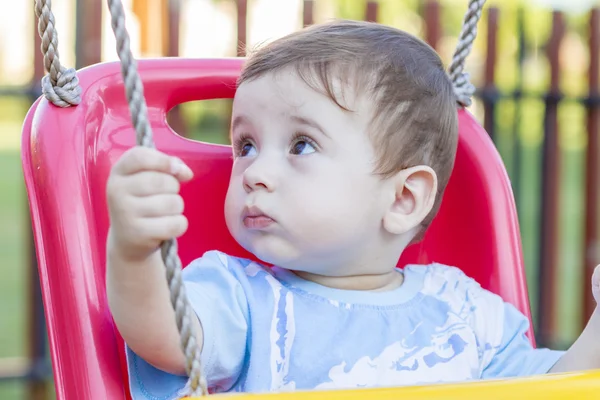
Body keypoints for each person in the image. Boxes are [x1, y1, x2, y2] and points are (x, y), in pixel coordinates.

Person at [105, 20, 600, 398]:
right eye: (246, 145)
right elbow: (167, 338)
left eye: (300, 145)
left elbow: (557, 385)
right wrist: (134, 249)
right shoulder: (243, 298)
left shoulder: (464, 313)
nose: (255, 172)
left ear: (403, 199)